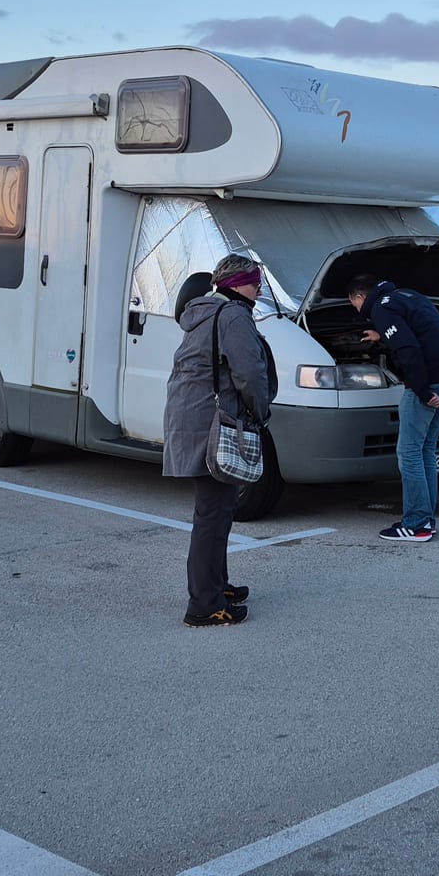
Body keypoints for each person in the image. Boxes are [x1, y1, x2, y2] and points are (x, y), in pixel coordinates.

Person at [164, 253, 276, 626]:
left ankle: (217, 585)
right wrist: (261, 412)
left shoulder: (207, 311)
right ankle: (204, 605)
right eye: (254, 281)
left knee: (219, 508)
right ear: (236, 284)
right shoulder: (234, 316)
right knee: (212, 514)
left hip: (193, 419)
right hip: (212, 423)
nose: (259, 288)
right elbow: (249, 373)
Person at [346, 273, 439, 543]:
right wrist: (382, 335)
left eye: (354, 304)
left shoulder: (382, 308)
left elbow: (409, 349)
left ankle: (416, 524)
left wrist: (422, 391)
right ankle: (426, 520)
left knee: (409, 452)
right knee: (425, 449)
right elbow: (420, 332)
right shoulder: (406, 295)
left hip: (431, 381)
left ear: (360, 297)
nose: (356, 310)